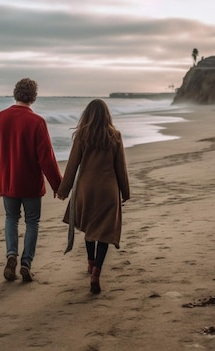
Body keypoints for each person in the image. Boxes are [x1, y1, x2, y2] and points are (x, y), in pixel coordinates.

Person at [0, 78, 62, 282]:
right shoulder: (37, 122)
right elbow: (46, 157)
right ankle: (26, 263)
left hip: (7, 181)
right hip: (29, 182)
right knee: (32, 222)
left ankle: (11, 255)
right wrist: (57, 184)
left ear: (15, 93)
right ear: (33, 97)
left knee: (11, 218)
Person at [57, 99, 130, 294]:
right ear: (107, 115)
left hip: (86, 190)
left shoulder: (82, 135)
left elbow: (72, 165)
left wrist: (63, 190)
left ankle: (90, 263)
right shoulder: (115, 136)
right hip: (108, 190)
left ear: (87, 115)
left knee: (90, 228)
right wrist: (125, 192)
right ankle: (96, 271)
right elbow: (120, 167)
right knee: (104, 232)